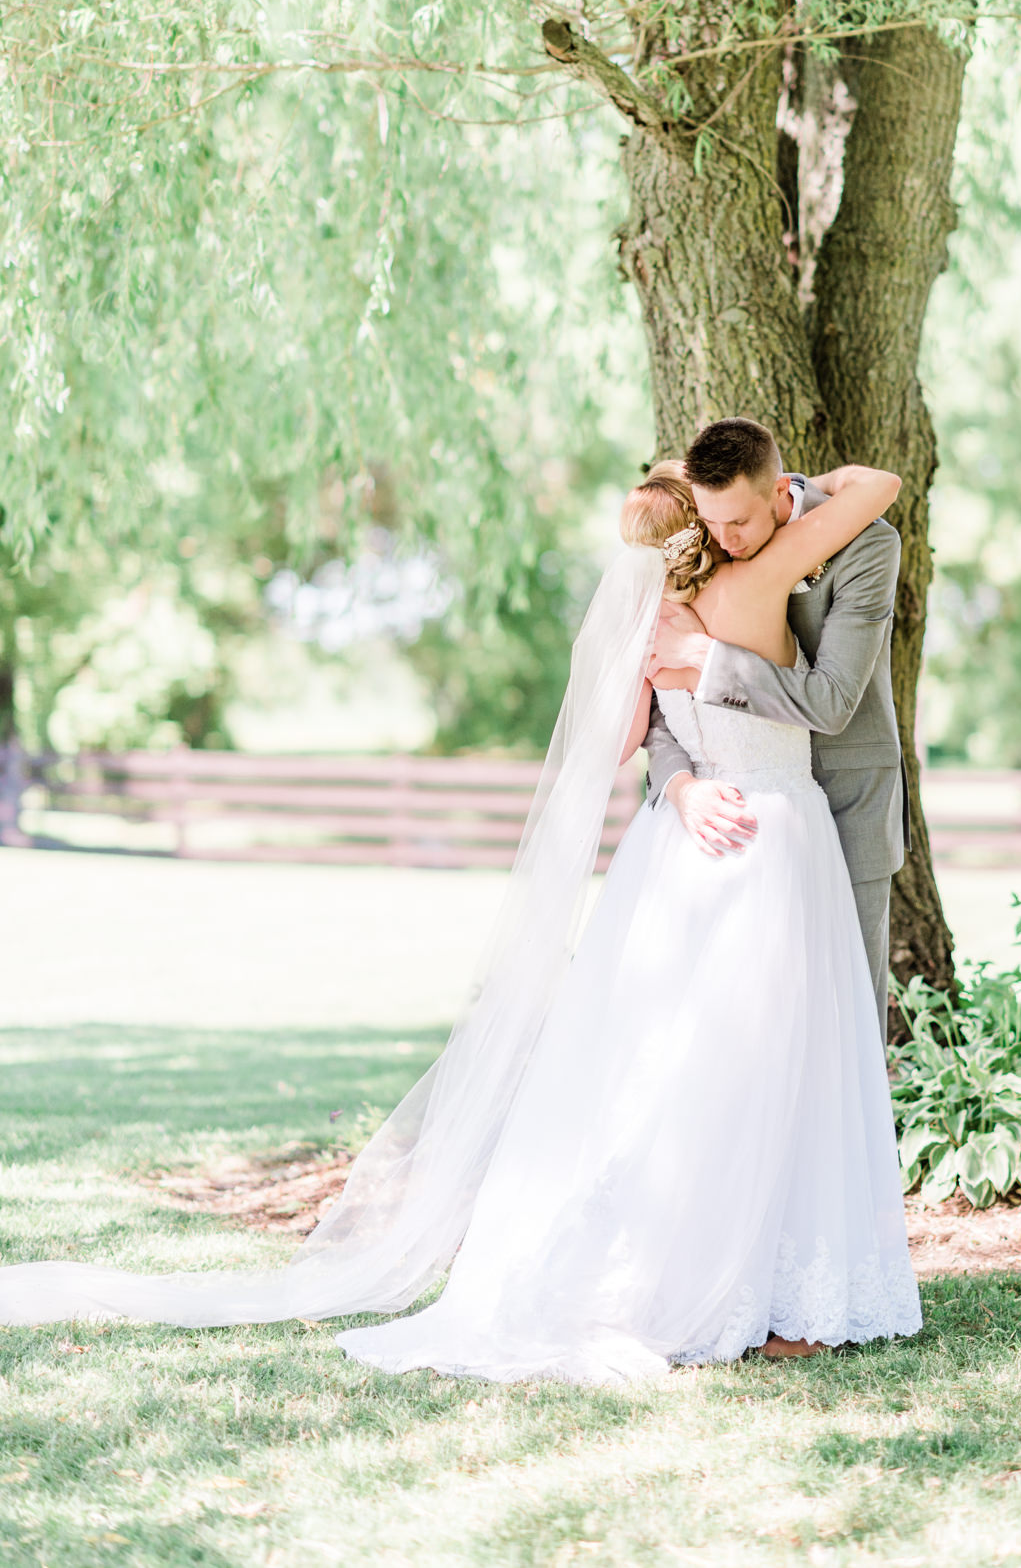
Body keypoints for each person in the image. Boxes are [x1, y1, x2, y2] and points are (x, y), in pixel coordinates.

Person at [0, 458, 921, 1382]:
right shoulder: (753, 582)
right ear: (703, 532)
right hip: (754, 839)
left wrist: (675, 719)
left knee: (703, 1069)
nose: (730, 537)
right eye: (713, 525)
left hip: (718, 852)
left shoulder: (663, 618)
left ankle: (736, 1276)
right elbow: (871, 496)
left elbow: (630, 737)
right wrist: (682, 775)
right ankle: (739, 1280)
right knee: (750, 1066)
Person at [647, 417, 909, 1022]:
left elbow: (833, 701)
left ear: (777, 490)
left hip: (848, 805)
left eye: (737, 522)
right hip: (736, 820)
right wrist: (680, 787)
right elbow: (667, 700)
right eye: (713, 523)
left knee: (844, 1020)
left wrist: (710, 662)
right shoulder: (705, 535)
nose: (724, 539)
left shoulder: (867, 544)